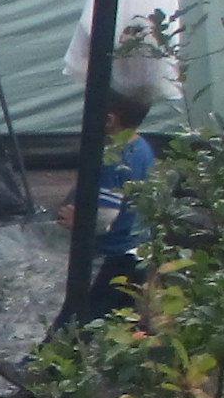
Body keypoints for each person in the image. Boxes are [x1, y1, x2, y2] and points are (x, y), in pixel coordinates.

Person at [60, 68, 161, 319]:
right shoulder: (142, 147)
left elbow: (105, 217)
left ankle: (43, 359)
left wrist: (78, 222)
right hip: (138, 249)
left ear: (109, 119)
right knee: (117, 314)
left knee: (81, 314)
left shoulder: (112, 159)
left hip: (115, 255)